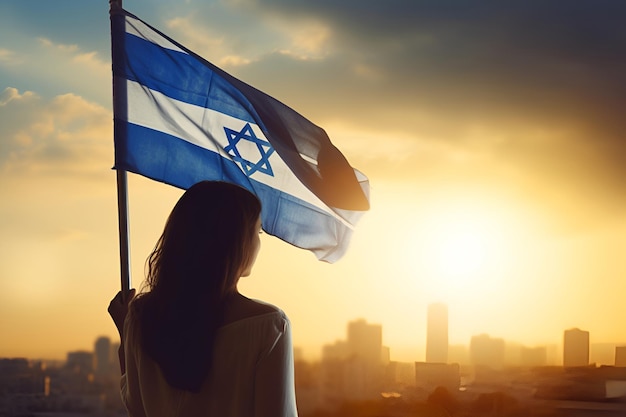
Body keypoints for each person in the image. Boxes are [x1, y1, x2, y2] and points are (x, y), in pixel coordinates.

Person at [108, 181, 298, 417]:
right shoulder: (270, 326)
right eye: (257, 232)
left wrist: (127, 332)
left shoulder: (141, 317)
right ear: (236, 241)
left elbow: (138, 407)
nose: (259, 243)